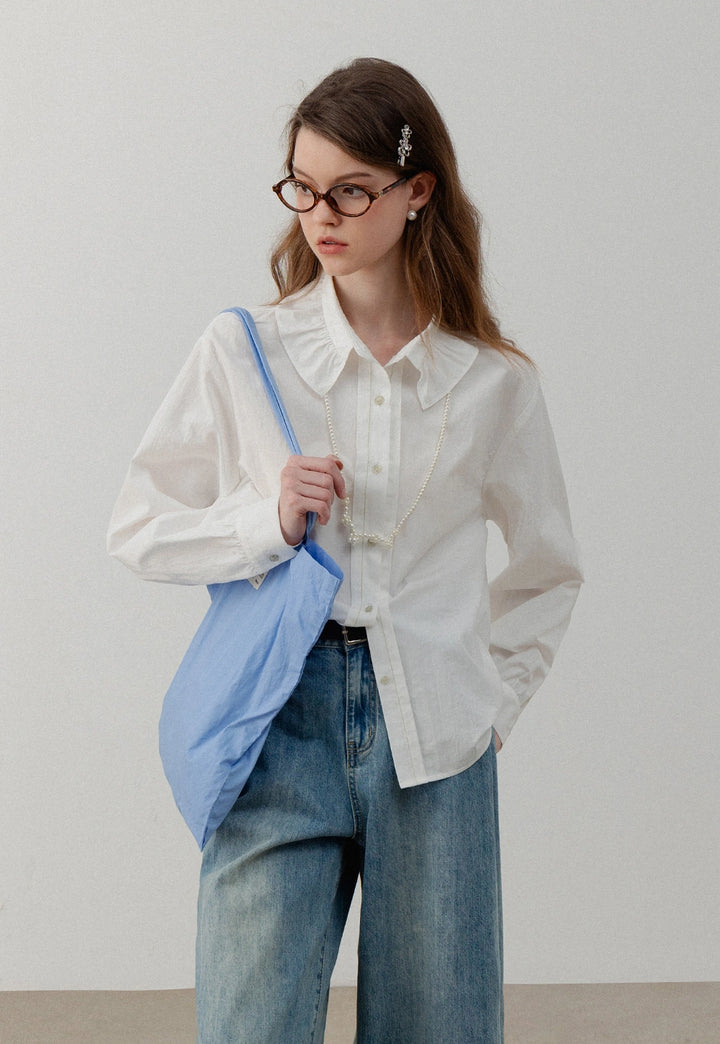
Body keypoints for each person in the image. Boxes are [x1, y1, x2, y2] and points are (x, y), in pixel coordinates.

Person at [108, 57, 582, 1044]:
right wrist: (264, 523)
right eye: (304, 186)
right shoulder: (246, 351)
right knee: (249, 1024)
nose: (320, 214)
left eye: (351, 190)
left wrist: (492, 702)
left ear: (417, 194)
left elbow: (546, 567)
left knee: (437, 1029)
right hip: (280, 716)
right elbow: (139, 524)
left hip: (437, 735)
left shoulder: (492, 383)